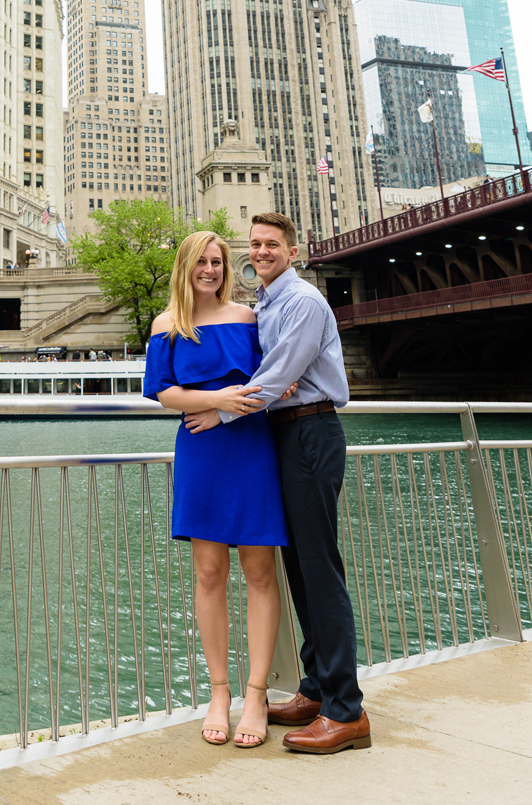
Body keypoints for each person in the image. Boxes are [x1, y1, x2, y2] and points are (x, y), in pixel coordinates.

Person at [222, 213, 371, 754]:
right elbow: (273, 377)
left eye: (272, 245)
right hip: (285, 433)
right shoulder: (268, 302)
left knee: (319, 569)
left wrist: (221, 412)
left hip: (311, 433)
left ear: (291, 250)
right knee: (299, 569)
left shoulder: (303, 301)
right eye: (256, 244)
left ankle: (346, 711)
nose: (262, 252)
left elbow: (278, 373)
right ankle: (315, 688)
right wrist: (271, 388)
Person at [143, 230, 287, 749]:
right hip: (200, 452)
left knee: (259, 571)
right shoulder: (167, 326)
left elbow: (273, 382)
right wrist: (215, 397)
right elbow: (162, 393)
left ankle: (256, 694)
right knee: (208, 573)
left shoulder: (247, 318)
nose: (210, 270)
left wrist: (222, 407)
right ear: (185, 266)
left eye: (218, 262)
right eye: (201, 262)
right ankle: (219, 693)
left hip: (249, 446)